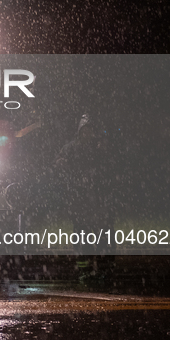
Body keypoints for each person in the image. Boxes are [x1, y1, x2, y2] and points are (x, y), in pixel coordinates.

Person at [54, 114, 116, 284]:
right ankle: (84, 271)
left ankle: (105, 270)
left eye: (90, 130)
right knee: (83, 237)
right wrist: (63, 165)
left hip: (99, 201)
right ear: (80, 132)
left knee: (105, 237)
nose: (87, 134)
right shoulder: (71, 148)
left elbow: (110, 169)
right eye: (84, 131)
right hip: (80, 202)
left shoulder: (100, 149)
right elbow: (59, 161)